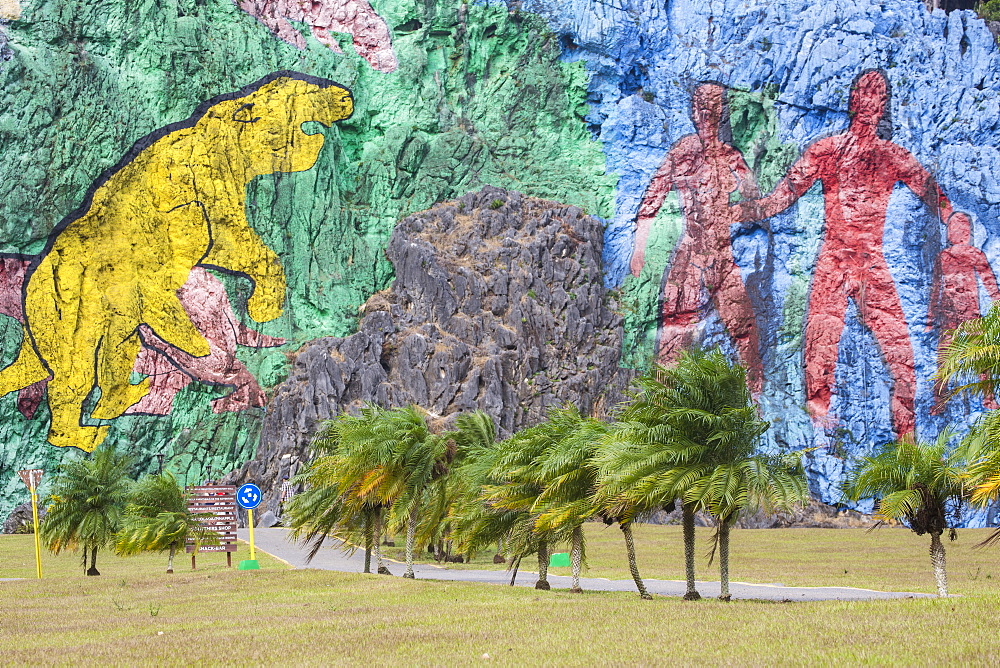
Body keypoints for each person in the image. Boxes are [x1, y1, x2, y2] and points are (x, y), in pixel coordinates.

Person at [736, 69, 951, 436]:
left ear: (884, 106)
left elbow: (932, 193)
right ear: (852, 100)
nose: (871, 100)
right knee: (820, 342)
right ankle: (818, 424)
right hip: (834, 259)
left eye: (878, 94)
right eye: (865, 92)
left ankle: (908, 432)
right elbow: (785, 194)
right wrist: (749, 209)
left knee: (899, 347)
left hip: (872, 261)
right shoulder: (827, 150)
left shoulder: (892, 156)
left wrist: (954, 220)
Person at [630, 82, 764, 392]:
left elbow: (755, 203)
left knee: (745, 332)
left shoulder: (732, 158)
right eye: (701, 107)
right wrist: (639, 249)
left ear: (721, 113)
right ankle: (661, 405)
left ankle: (756, 400)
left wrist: (735, 211)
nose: (707, 114)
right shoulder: (683, 151)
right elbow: (653, 198)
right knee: (673, 333)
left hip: (722, 256)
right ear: (693, 111)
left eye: (714, 108)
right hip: (687, 257)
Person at [928, 211, 1000, 410]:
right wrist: (930, 317)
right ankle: (940, 401)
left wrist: (997, 304)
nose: (957, 232)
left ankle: (988, 398)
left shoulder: (974, 254)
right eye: (953, 227)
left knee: (980, 357)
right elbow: (936, 289)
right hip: (949, 314)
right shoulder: (943, 257)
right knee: (945, 359)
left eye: (961, 227)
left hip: (971, 314)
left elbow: (989, 283)